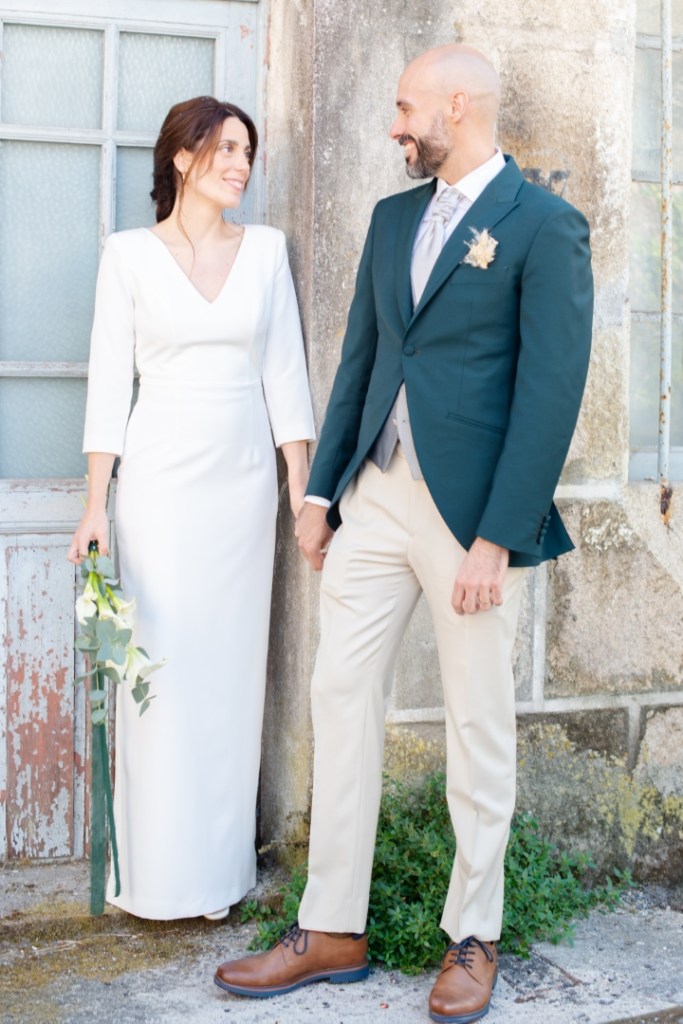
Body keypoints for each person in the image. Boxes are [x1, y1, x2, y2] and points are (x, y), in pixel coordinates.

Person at [215, 43, 593, 1023]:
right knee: (339, 696)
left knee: (476, 725)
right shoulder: (391, 221)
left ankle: (473, 934)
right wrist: (320, 492)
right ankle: (331, 925)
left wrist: (497, 535)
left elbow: (550, 394)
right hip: (374, 498)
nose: (393, 125)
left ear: (456, 105)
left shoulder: (543, 226)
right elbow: (361, 362)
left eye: (403, 108)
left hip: (470, 518)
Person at [68, 96, 315, 921]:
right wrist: (95, 504)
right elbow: (109, 382)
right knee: (163, 675)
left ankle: (217, 879)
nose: (242, 164)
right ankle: (154, 877)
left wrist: (298, 487)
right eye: (227, 149)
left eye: (249, 151)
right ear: (182, 158)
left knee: (228, 677)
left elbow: (285, 372)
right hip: (161, 487)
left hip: (243, 488)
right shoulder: (129, 256)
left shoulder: (267, 251)